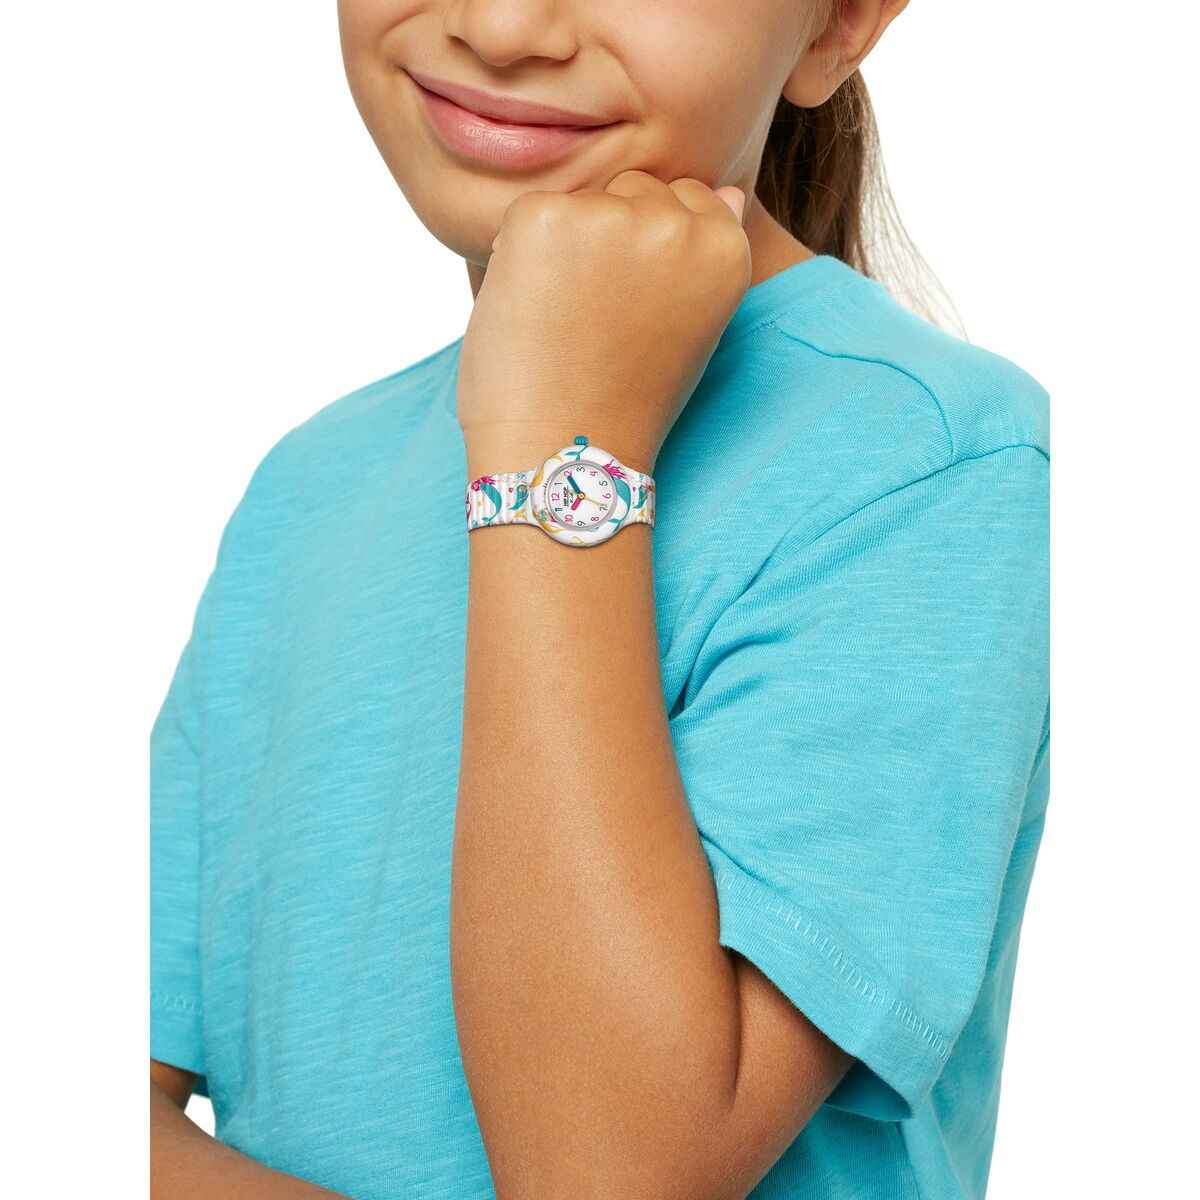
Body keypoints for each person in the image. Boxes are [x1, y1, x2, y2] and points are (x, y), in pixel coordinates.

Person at [149, 1, 1051, 1197]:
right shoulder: (307, 488)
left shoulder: (927, 462)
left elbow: (610, 1175)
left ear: (838, 24)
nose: (502, 25)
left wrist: (562, 443)